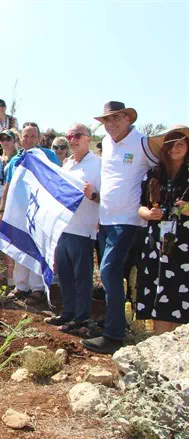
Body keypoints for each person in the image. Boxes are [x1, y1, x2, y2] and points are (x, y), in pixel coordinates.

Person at [82, 101, 157, 354]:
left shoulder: (142, 143)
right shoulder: (106, 142)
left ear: (127, 118)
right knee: (113, 276)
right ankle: (115, 322)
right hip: (105, 219)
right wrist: (96, 199)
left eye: (116, 118)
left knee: (109, 273)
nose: (111, 124)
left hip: (129, 221)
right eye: (106, 120)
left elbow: (163, 167)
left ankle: (114, 335)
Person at [46, 124, 101, 331]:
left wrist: (94, 195)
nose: (73, 139)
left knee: (82, 278)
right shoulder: (67, 164)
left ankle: (81, 318)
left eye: (77, 135)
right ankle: (67, 313)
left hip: (84, 230)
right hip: (63, 229)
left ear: (88, 138)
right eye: (70, 136)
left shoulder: (98, 165)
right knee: (65, 276)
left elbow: (105, 200)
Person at [135, 126, 189, 335]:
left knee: (180, 296)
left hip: (184, 247)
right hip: (156, 244)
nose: (175, 148)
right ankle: (161, 344)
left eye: (180, 143)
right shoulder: (154, 174)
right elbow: (140, 206)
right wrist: (147, 215)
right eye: (171, 144)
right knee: (159, 295)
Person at [0, 125, 57, 300]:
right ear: (20, 138)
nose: (28, 139)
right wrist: (2, 210)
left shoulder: (47, 156)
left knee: (37, 248)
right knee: (19, 246)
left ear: (38, 138)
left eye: (32, 136)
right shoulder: (15, 160)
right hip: (18, 211)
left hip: (38, 212)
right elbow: (8, 186)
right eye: (25, 136)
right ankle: (21, 286)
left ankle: (37, 288)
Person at [0, 129, 18, 287]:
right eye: (2, 139)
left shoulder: (18, 159)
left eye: (8, 139)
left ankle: (11, 273)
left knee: (9, 234)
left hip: (12, 200)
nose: (5, 142)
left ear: (14, 141)